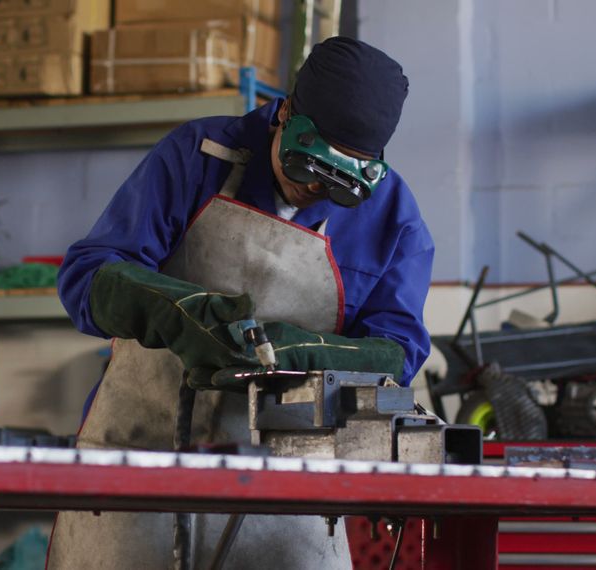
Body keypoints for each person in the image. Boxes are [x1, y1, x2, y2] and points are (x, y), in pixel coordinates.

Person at [49, 36, 433, 569]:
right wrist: (179, 312)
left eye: (336, 187)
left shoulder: (394, 219)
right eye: (304, 168)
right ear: (284, 114)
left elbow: (398, 353)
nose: (313, 192)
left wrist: (306, 354)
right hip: (138, 464)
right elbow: (86, 278)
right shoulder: (197, 155)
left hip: (291, 492)